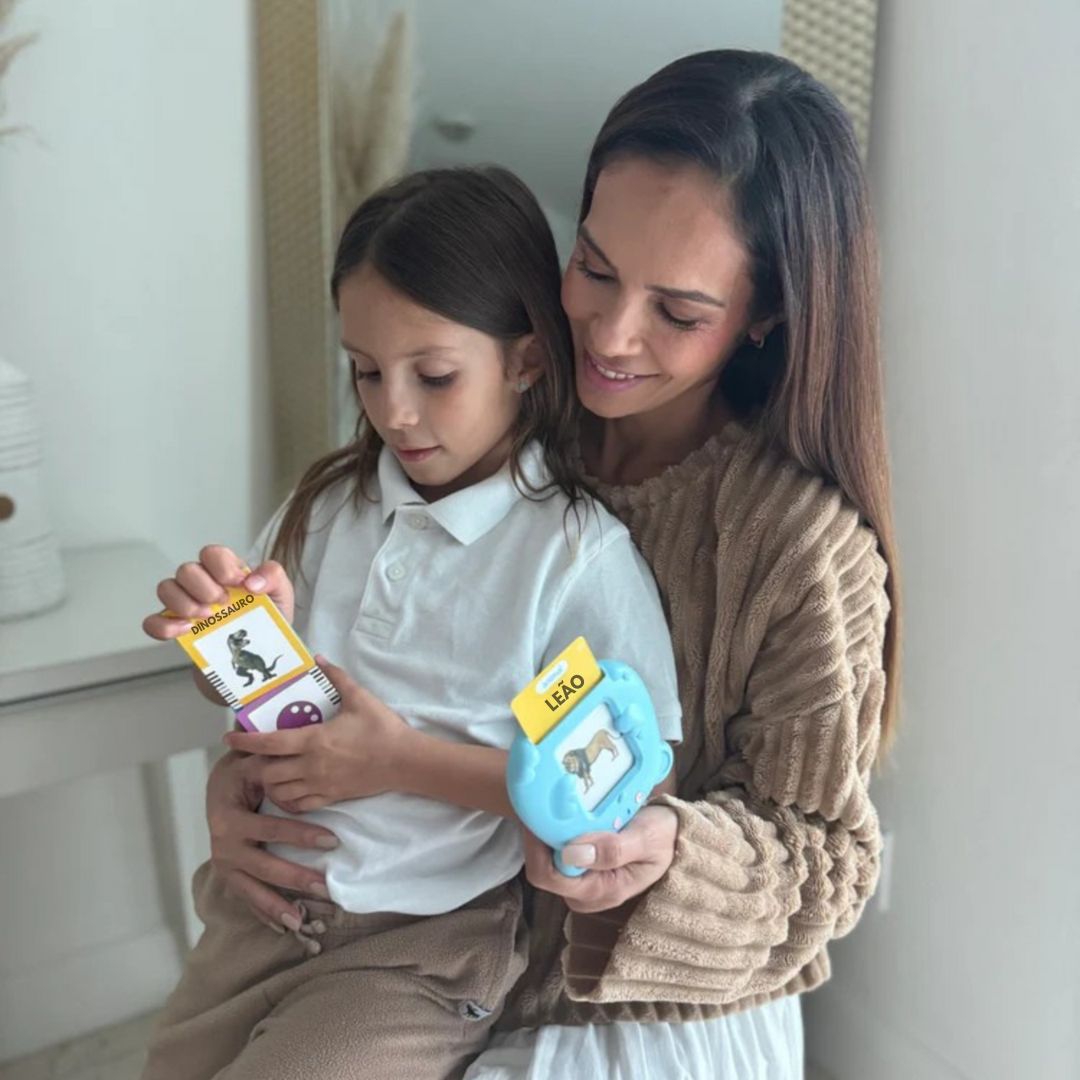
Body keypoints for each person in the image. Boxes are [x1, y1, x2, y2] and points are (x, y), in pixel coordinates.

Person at [202, 50, 901, 1080]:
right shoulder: (471, 421)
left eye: (678, 312)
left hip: (629, 1000)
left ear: (764, 317)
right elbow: (356, 673)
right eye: (596, 268)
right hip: (387, 932)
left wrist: (666, 852)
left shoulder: (799, 547)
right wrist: (246, 788)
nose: (609, 336)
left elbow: (827, 862)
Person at [139, 166, 683, 1080]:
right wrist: (224, 640)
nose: (393, 410)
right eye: (366, 371)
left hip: (418, 946)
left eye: (434, 376)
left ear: (525, 360)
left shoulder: (570, 558)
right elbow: (254, 705)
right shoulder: (326, 505)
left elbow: (623, 783)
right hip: (258, 913)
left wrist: (398, 762)